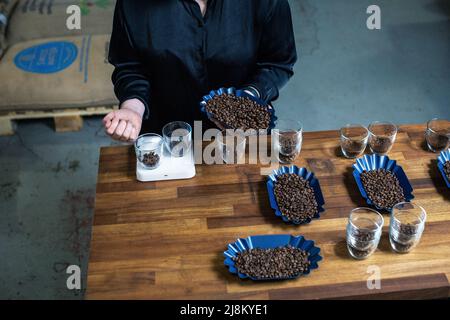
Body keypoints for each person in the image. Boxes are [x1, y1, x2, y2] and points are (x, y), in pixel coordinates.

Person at [103, 0, 297, 141]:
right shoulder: (132, 5)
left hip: (243, 133)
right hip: (168, 134)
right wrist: (132, 109)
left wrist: (250, 97)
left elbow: (278, 62)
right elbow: (130, 67)